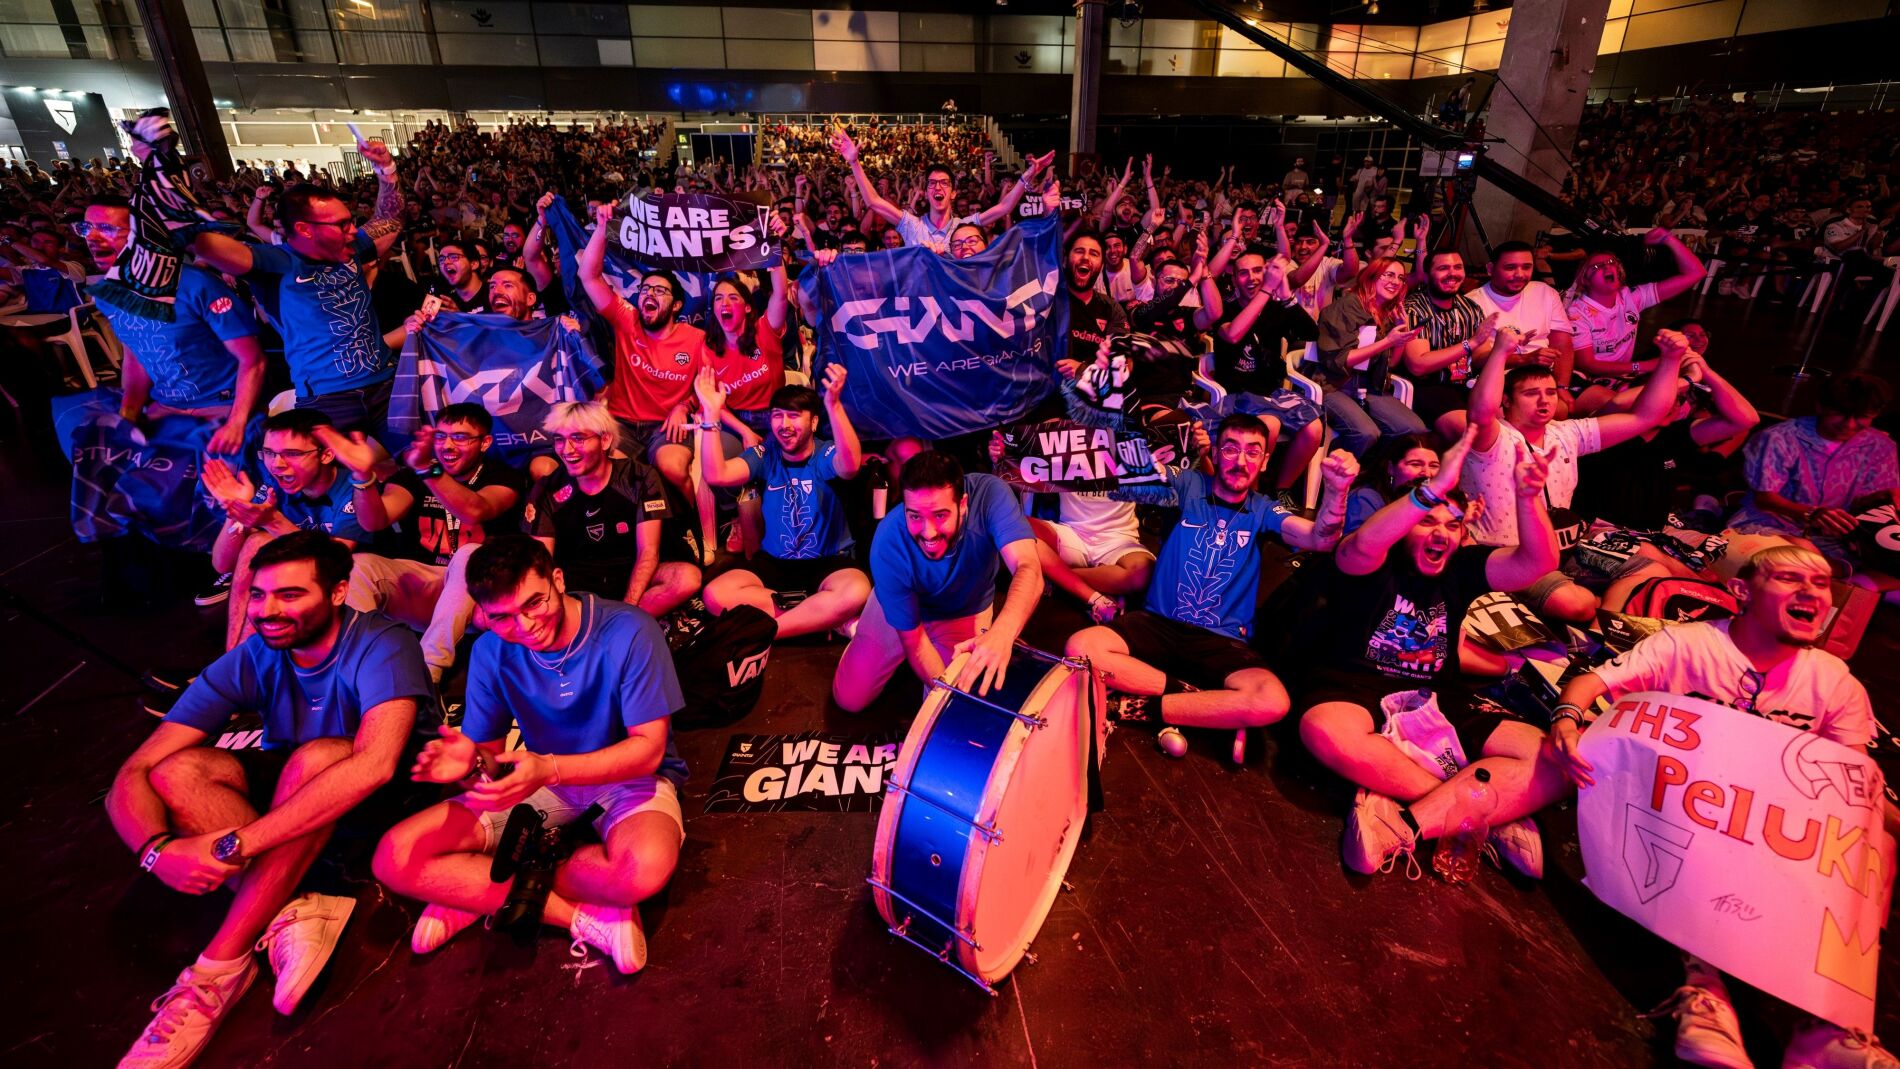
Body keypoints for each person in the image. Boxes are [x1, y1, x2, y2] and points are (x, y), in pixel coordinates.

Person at [1547, 546, 1891, 1069]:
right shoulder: (1689, 644)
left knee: (1873, 843)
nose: (1810, 592)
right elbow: (1593, 682)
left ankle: (1826, 1025)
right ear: (1741, 591)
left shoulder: (1835, 680)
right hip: (1681, 812)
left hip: (1770, 829)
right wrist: (1567, 718)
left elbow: (1850, 789)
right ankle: (1704, 990)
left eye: (1821, 583)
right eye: (1789, 578)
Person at [107, 532, 428, 1066]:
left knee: (319, 759)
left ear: (338, 592)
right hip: (293, 797)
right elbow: (134, 771)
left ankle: (216, 971)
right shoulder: (254, 655)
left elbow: (375, 765)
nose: (267, 610)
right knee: (177, 770)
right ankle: (291, 907)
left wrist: (232, 846)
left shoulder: (382, 642)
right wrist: (156, 852)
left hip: (381, 803)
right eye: (258, 595)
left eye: (290, 595)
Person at [372, 536, 687, 975]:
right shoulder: (489, 651)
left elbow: (647, 752)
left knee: (642, 869)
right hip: (542, 778)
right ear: (483, 614)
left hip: (624, 778)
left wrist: (550, 769)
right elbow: (490, 762)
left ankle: (476, 887)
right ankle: (576, 914)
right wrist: (471, 765)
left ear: (558, 579)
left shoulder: (629, 630)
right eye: (501, 617)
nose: (524, 626)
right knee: (395, 855)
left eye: (534, 603)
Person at [1296, 428, 1564, 877]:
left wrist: (1528, 496)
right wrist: (1432, 489)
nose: (1441, 533)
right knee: (1323, 730)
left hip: (1438, 697)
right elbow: (1362, 544)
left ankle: (1410, 818)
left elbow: (1538, 564)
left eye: (1452, 525)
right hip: (1356, 687)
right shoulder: (1373, 556)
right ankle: (1488, 813)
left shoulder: (1462, 567)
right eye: (1427, 521)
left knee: (1555, 760)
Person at [1065, 416, 1359, 745]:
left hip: (1221, 642)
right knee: (1082, 647)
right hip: (1158, 624)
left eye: (1252, 452)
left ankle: (1145, 706)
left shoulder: (1264, 510)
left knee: (1272, 701)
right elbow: (1134, 471)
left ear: (1264, 462)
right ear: (1216, 453)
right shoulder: (1189, 485)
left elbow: (1320, 539)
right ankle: (1196, 700)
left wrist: (1338, 491)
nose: (1240, 461)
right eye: (1231, 449)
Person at [1461, 326, 1690, 623]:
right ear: (1505, 400)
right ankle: (1590, 615)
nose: (1544, 401)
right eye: (1531, 394)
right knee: (1576, 604)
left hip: (1565, 551)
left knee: (1651, 571)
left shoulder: (1567, 433)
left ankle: (1604, 633)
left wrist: (1671, 360)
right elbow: (1480, 412)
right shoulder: (1492, 438)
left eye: (1550, 392)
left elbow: (1645, 416)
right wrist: (1500, 352)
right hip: (1508, 555)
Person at [190, 137, 407, 433]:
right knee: (331, 466)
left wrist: (386, 167)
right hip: (327, 401)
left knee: (419, 458)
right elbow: (207, 245)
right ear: (304, 229)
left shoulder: (352, 247)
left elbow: (390, 219)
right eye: (341, 224)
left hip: (387, 386)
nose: (353, 230)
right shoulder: (276, 263)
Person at [318, 404, 527, 683]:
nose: (447, 446)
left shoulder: (504, 476)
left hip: (480, 595)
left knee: (470, 555)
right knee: (359, 565)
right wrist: (362, 477)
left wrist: (428, 469)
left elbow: (475, 510)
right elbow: (375, 521)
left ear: (485, 442)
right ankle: (364, 665)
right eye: (441, 436)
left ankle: (428, 671)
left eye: (460, 437)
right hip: (426, 587)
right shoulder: (411, 476)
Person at [832, 450, 1043, 712]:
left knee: (954, 711)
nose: (928, 532)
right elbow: (915, 642)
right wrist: (945, 690)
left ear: (962, 504)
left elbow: (1028, 566)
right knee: (850, 699)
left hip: (964, 610)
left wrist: (1003, 632)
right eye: (915, 516)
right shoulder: (888, 540)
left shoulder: (990, 494)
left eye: (940, 515)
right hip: (904, 608)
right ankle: (858, 630)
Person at [579, 201, 715, 564]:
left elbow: (706, 388)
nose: (649, 295)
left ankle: (692, 529)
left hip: (664, 427)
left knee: (671, 467)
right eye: (645, 289)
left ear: (677, 305)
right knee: (608, 471)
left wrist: (683, 405)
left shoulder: (695, 338)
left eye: (660, 291)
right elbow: (589, 277)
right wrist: (602, 227)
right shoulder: (627, 320)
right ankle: (627, 543)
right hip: (621, 424)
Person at [80, 195, 266, 460]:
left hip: (223, 406)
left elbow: (253, 360)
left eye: (107, 229)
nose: (92, 237)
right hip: (167, 408)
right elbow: (136, 355)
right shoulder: (108, 294)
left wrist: (236, 423)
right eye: (86, 228)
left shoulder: (196, 285)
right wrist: (128, 415)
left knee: (212, 478)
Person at [695, 365, 872, 638]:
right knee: (715, 595)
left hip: (828, 563)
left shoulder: (825, 452)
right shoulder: (765, 454)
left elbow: (850, 466)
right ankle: (821, 617)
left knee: (857, 590)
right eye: (778, 415)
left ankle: (770, 632)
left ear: (814, 422)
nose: (784, 424)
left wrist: (834, 405)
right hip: (775, 564)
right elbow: (717, 475)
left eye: (794, 415)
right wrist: (711, 414)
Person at [202, 409, 372, 652]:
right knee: (257, 543)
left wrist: (273, 522)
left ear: (326, 454)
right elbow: (222, 564)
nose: (277, 465)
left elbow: (333, 561)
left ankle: (242, 665)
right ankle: (237, 660)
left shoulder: (353, 488)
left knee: (262, 541)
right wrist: (235, 513)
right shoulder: (273, 485)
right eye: (269, 453)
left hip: (350, 585)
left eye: (292, 454)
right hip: (295, 588)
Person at [525, 401, 702, 616]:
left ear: (605, 440)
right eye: (560, 439)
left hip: (630, 572)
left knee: (687, 578)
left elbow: (648, 553)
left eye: (578, 438)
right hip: (575, 580)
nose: (567, 449)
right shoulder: (547, 488)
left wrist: (628, 608)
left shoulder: (639, 477)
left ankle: (621, 624)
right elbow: (542, 562)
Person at [1727, 371, 1900, 575]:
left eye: (1862, 417)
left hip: (1832, 540)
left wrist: (1887, 507)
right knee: (1794, 560)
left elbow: (1881, 498)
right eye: (1840, 413)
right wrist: (1812, 513)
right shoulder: (1779, 437)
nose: (1850, 424)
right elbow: (1765, 499)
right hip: (1768, 526)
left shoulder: (1881, 446)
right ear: (1821, 406)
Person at [1209, 247, 1324, 491]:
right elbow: (1232, 335)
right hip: (1237, 394)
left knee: (1314, 429)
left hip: (1273, 393)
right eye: (1243, 273)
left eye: (1257, 271)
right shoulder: (1224, 308)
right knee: (1268, 426)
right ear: (1234, 279)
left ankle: (1279, 492)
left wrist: (1286, 296)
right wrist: (1267, 289)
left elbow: (1311, 333)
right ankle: (1251, 493)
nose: (1251, 278)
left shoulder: (1275, 307)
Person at [832, 127, 1051, 254]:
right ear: (927, 193)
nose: (937, 187)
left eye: (944, 183)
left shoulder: (964, 227)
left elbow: (1004, 207)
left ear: (953, 193)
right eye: (932, 183)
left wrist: (1028, 175)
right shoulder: (912, 226)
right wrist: (854, 162)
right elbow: (873, 201)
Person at [1565, 228, 1706, 414]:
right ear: (1585, 280)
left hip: (1622, 376)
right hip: (1586, 379)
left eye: (1611, 262)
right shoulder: (1577, 313)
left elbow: (1696, 273)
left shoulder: (1630, 297)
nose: (1608, 267)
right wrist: (1642, 366)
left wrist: (1668, 239)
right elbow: (1587, 364)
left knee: (1682, 407)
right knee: (1645, 410)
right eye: (1597, 267)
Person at [1315, 258, 1428, 457]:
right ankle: (1335, 470)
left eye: (1401, 278)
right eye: (1389, 275)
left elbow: (1392, 362)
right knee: (1365, 433)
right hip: (1334, 385)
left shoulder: (1386, 312)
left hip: (1366, 386)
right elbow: (1340, 360)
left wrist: (1401, 332)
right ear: (1371, 277)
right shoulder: (1348, 306)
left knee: (1413, 429)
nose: (1396, 281)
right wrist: (1387, 341)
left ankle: (1373, 470)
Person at [1401, 248, 1496, 441]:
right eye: (1443, 268)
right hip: (1430, 388)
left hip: (1467, 385)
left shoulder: (1470, 308)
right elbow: (1418, 365)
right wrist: (1471, 343)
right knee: (1474, 435)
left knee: (1508, 424)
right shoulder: (1414, 309)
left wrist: (1503, 350)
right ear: (1427, 274)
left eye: (1458, 267)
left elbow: (1479, 357)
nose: (1452, 273)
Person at [1469, 241, 1575, 412]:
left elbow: (1562, 344)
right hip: (1502, 378)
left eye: (1526, 267)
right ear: (1490, 269)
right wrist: (1525, 359)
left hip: (1547, 376)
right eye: (1510, 268)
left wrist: (1562, 387)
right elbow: (1478, 360)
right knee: (1559, 411)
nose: (1519, 274)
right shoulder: (1473, 302)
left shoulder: (1545, 292)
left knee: (1606, 402)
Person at [1345, 433, 1439, 534]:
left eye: (1434, 466)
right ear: (1390, 468)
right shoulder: (1365, 499)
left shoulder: (1441, 503)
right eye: (1415, 464)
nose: (1427, 474)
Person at [432, 241, 486, 313]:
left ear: (474, 264)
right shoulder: (445, 302)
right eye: (441, 259)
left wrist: (459, 316)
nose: (445, 262)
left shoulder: (493, 293)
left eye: (453, 257)